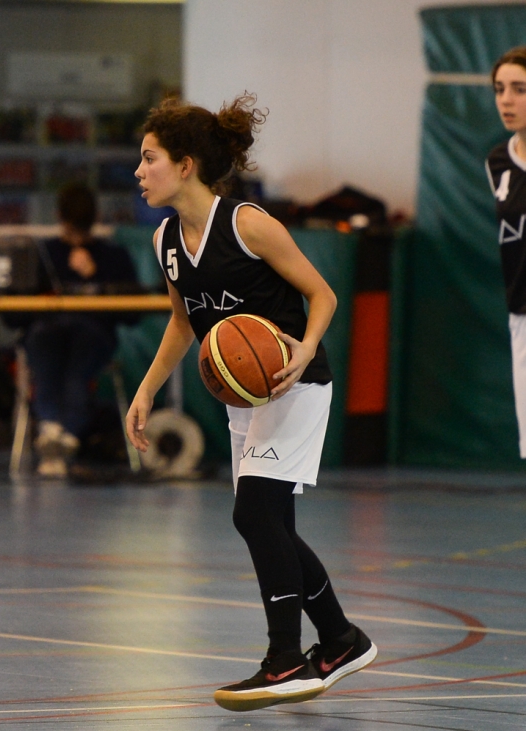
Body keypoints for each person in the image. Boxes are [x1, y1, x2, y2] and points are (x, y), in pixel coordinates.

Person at [125, 95, 376, 712]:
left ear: (185, 165)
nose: (139, 170)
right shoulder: (165, 240)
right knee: (270, 523)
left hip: (294, 384)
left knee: (254, 514)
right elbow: (183, 321)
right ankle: (341, 638)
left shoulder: (247, 224)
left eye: (150, 158)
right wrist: (146, 388)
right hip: (243, 398)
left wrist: (305, 348)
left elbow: (322, 294)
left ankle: (285, 659)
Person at [26, 183, 139, 478]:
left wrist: (94, 276)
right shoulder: (43, 254)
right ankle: (55, 432)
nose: (75, 236)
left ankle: (62, 434)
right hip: (48, 332)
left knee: (76, 369)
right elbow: (18, 311)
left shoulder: (113, 256)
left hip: (92, 335)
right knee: (48, 356)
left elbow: (133, 312)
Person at [487, 47, 526, 460]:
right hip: (522, 314)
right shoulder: (498, 161)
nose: (506, 100)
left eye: (519, 89)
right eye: (500, 89)